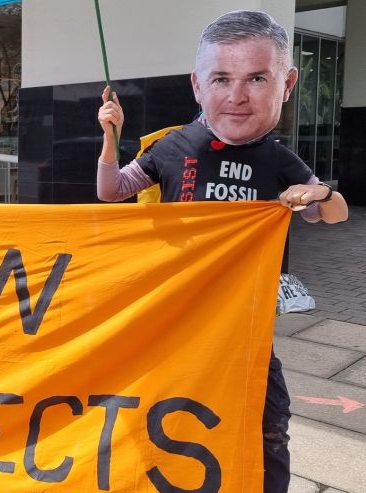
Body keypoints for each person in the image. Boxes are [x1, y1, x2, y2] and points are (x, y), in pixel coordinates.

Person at [95, 10, 348, 492]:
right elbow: (113, 190)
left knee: (268, 425)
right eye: (222, 78)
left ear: (287, 83)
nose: (237, 96)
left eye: (256, 78)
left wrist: (319, 195)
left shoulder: (278, 160)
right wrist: (110, 137)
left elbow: (334, 215)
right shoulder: (174, 147)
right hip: (176, 325)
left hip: (246, 331)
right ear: (197, 85)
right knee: (160, 417)